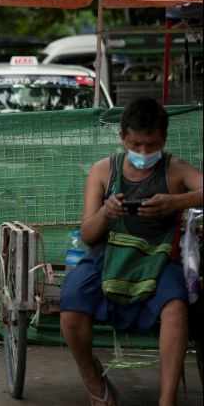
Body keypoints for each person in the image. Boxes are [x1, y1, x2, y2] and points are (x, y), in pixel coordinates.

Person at [59, 98, 202, 406]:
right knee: (70, 308)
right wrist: (106, 213)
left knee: (176, 308)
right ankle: (95, 384)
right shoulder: (102, 171)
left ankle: (167, 400)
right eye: (135, 144)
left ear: (163, 139)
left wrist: (176, 202)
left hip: (157, 258)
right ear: (122, 137)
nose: (143, 153)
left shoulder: (174, 169)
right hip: (105, 257)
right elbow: (87, 233)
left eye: (151, 145)